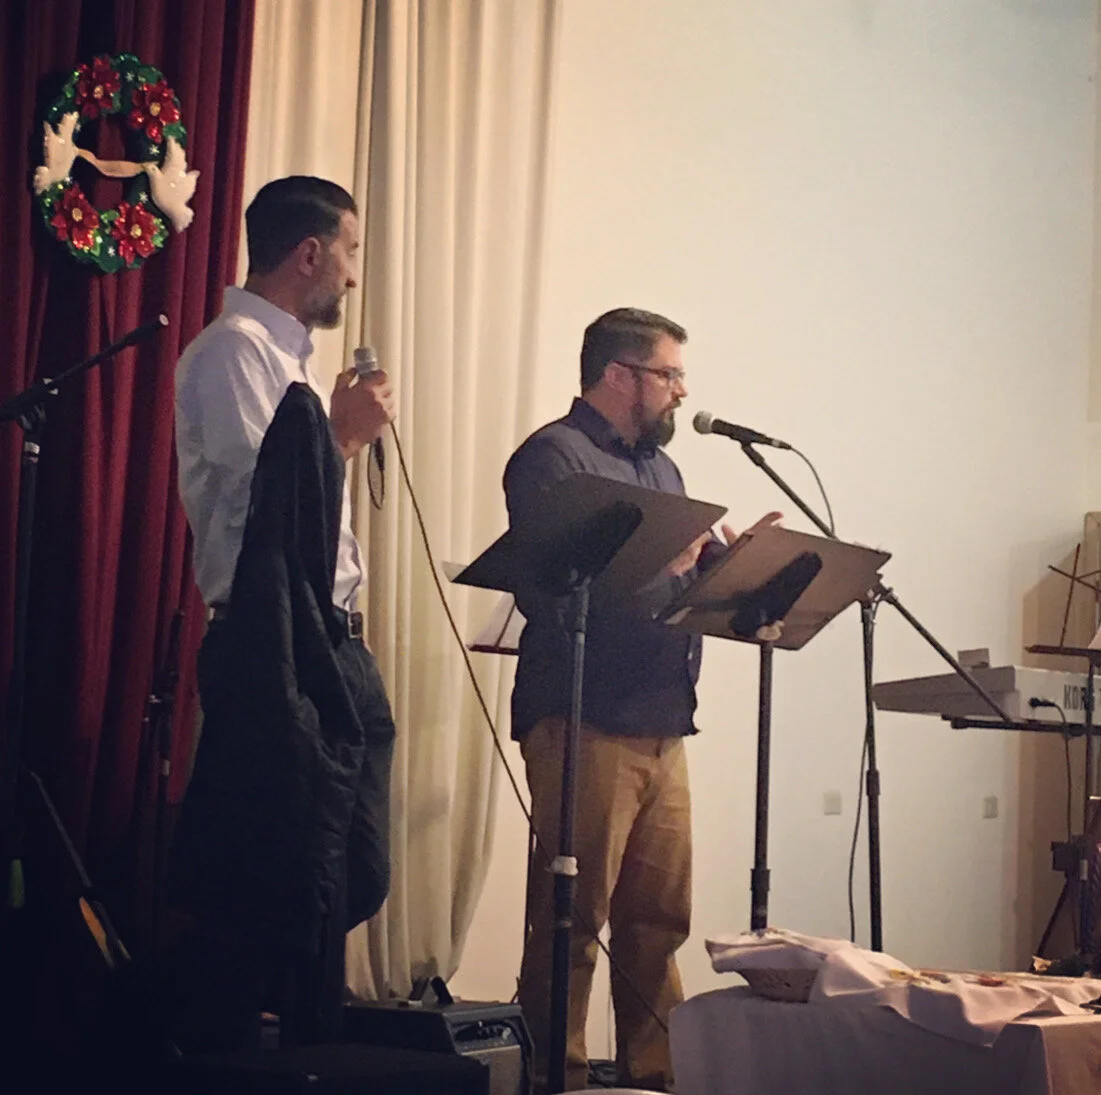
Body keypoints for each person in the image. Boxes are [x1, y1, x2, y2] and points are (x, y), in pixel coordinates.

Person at [505, 307, 767, 1093]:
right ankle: (555, 1075)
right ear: (620, 375)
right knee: (572, 916)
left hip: (661, 717)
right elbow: (558, 592)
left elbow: (677, 589)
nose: (681, 391)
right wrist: (668, 566)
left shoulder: (664, 471)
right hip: (584, 713)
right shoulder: (554, 458)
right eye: (670, 374)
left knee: (658, 919)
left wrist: (739, 573)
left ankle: (657, 1076)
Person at [168, 176, 396, 1051]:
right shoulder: (231, 354)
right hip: (273, 646)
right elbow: (264, 508)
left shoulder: (289, 358)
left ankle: (293, 1033)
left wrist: (335, 437)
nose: (351, 274)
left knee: (349, 864)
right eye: (348, 252)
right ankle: (236, 1042)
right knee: (275, 863)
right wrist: (339, 438)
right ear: (308, 252)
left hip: (328, 641)